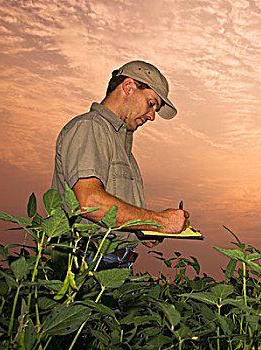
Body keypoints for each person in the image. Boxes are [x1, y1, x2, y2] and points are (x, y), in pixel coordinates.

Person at [51, 60, 189, 267]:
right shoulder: (89, 127)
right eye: (151, 104)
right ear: (128, 87)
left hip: (114, 263)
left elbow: (114, 214)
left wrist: (144, 231)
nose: (152, 116)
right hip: (88, 262)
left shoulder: (124, 151)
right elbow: (88, 202)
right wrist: (159, 221)